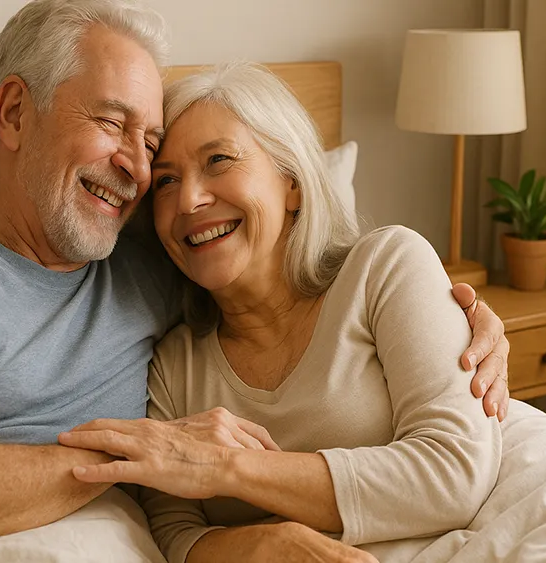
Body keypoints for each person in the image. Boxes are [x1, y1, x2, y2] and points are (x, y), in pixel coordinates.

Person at [0, 1, 509, 560]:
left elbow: (285, 269)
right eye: (112, 123)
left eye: (150, 144)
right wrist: (152, 452)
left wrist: (464, 318)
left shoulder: (150, 268)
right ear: (14, 112)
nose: (144, 173)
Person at [56, 61, 503, 563]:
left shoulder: (384, 269)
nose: (190, 199)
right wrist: (263, 544)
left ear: (291, 181)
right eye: (165, 181)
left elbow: (457, 470)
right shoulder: (173, 366)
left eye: (219, 160)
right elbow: (171, 534)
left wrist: (227, 469)